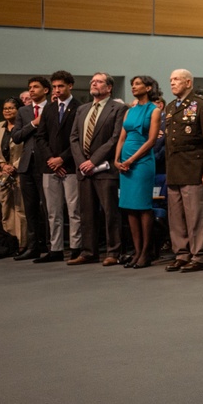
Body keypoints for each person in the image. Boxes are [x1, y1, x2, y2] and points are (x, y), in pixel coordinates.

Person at [68, 73, 126, 266]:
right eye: (92, 81)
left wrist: (93, 160)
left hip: (105, 169)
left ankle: (113, 252)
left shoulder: (118, 108)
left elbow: (115, 137)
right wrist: (82, 162)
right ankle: (88, 251)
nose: (94, 83)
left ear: (109, 88)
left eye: (99, 81)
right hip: (84, 170)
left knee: (110, 212)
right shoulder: (82, 109)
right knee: (86, 213)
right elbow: (74, 138)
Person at [163, 69, 203, 273]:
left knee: (195, 215)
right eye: (170, 80)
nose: (172, 83)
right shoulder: (170, 107)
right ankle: (182, 254)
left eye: (176, 79)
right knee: (176, 216)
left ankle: (199, 255)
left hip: (194, 167)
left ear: (188, 82)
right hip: (174, 168)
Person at [33, 70, 81, 263]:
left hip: (69, 166)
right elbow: (40, 137)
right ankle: (56, 248)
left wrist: (62, 159)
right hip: (50, 167)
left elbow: (78, 139)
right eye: (55, 87)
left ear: (70, 86)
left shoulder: (80, 107)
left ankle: (77, 247)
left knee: (74, 210)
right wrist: (52, 160)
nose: (57, 90)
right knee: (53, 211)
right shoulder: (49, 109)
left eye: (61, 86)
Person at [115, 76, 162, 269]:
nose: (133, 87)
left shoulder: (154, 110)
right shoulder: (129, 111)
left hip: (142, 161)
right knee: (129, 207)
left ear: (148, 87)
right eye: (132, 84)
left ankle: (146, 252)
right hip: (124, 161)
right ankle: (136, 251)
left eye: (137, 84)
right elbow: (121, 138)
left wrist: (131, 159)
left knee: (143, 206)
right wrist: (116, 160)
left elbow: (151, 140)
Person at [11, 77, 50, 261]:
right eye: (30, 88)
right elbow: (17, 136)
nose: (32, 90)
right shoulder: (23, 111)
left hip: (47, 164)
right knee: (30, 209)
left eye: (36, 87)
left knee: (49, 208)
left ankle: (51, 246)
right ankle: (33, 247)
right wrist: (34, 123)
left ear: (46, 90)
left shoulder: (52, 108)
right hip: (26, 164)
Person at [0, 98, 26, 249]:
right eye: (5, 108)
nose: (7, 111)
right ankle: (9, 241)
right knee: (6, 207)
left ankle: (22, 243)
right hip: (2, 173)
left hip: (19, 172)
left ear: (19, 110)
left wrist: (14, 166)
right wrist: (2, 164)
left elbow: (27, 150)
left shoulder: (23, 126)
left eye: (11, 108)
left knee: (20, 208)